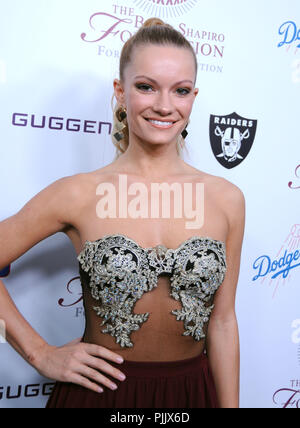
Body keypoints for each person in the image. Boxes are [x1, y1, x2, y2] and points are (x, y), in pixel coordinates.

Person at [0, 18, 245, 408]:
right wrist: (39, 353)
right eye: (146, 87)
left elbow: (224, 321)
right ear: (121, 92)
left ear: (193, 97)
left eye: (180, 90)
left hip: (191, 395)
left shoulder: (226, 198)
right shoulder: (78, 193)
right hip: (99, 396)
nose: (164, 105)